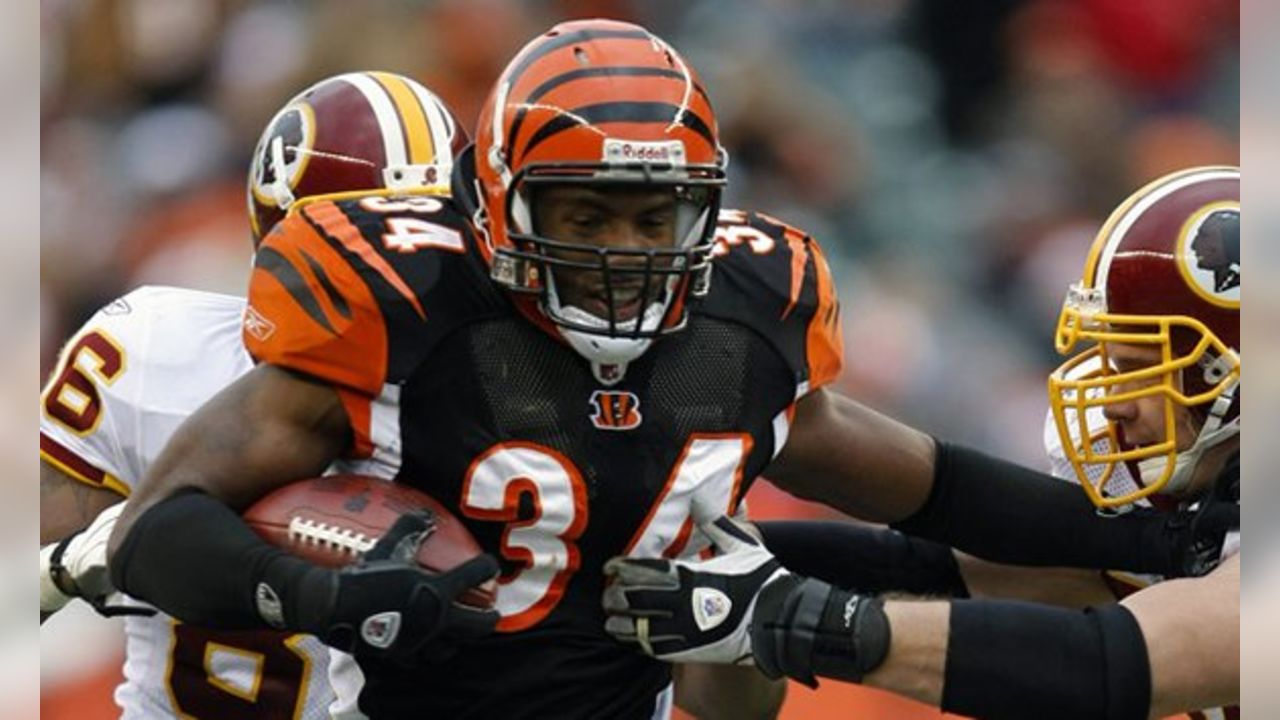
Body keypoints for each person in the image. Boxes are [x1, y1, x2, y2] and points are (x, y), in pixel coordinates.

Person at [105, 18, 1223, 719]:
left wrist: (1134, 538)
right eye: (583, 211)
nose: (619, 251)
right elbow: (161, 530)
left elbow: (929, 486)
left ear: (706, 210)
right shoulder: (407, 310)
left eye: (654, 217)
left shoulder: (737, 331)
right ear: (492, 202)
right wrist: (326, 594)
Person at [602, 166, 1242, 720]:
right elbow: (935, 568)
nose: (1114, 401)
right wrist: (679, 548)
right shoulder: (1212, 515)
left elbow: (1105, 668)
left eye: (1141, 369)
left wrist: (800, 619)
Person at [39, 71, 467, 718]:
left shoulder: (504, 389)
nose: (398, 276)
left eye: (420, 245)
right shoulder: (150, 349)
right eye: (365, 246)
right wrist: (71, 563)